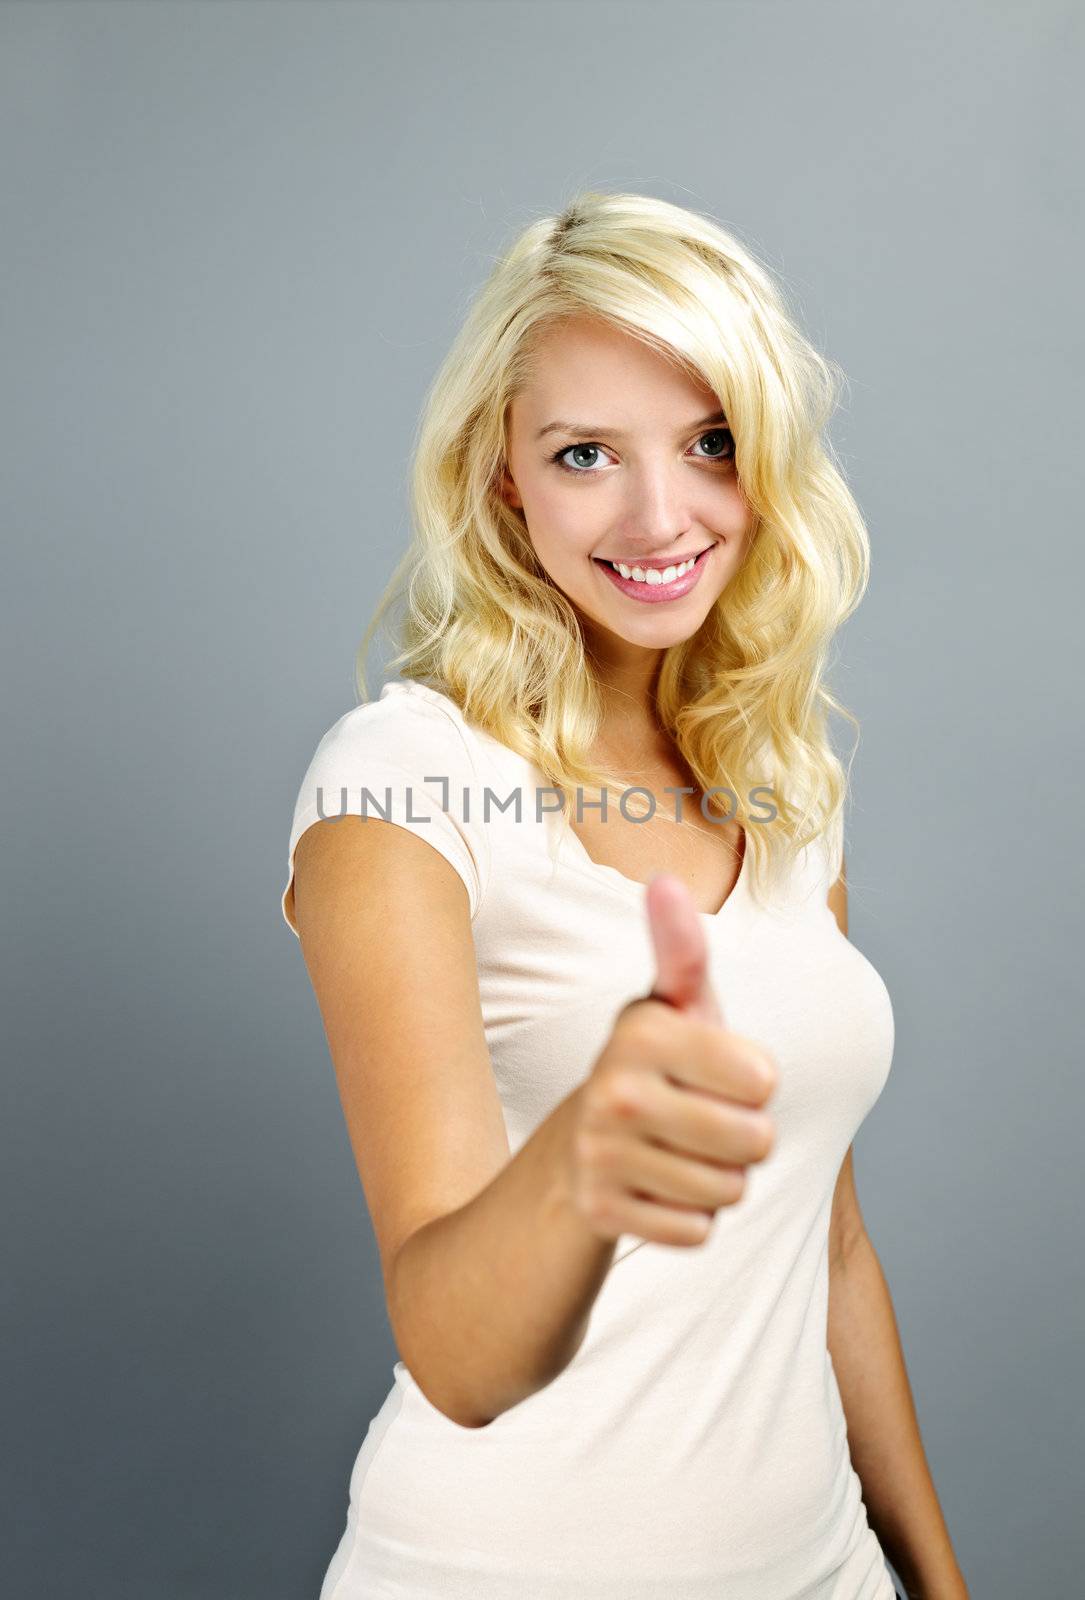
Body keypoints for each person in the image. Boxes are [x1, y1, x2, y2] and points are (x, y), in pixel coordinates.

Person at [281, 192, 968, 1600]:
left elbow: (828, 1254)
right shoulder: (400, 782)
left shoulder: (785, 789)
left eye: (711, 444)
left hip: (816, 1572)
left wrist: (936, 1585)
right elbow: (456, 1357)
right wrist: (585, 1159)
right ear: (501, 479)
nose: (661, 515)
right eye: (584, 453)